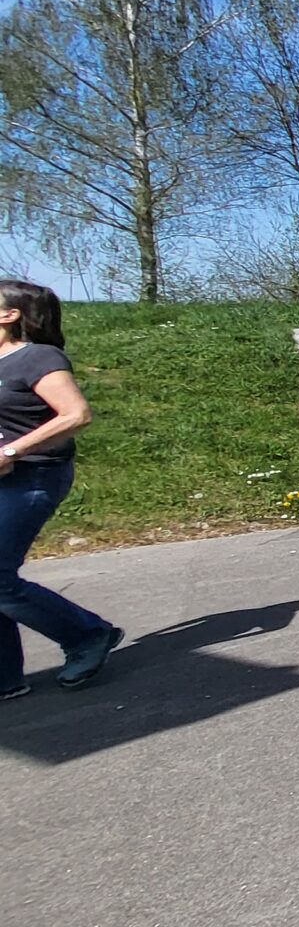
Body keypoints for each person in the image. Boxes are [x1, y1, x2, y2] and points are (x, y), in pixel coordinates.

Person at [0, 281, 120, 695]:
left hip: (33, 475)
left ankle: (87, 635)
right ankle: (4, 678)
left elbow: (76, 414)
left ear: (9, 314)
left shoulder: (38, 358)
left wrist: (12, 450)